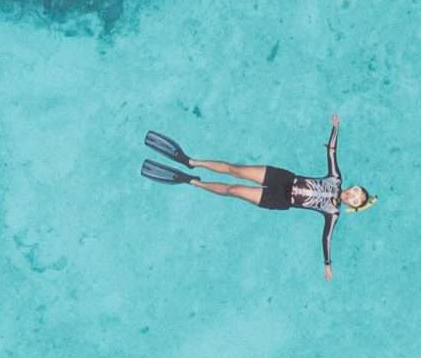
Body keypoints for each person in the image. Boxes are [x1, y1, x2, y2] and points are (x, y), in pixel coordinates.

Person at [140, 114, 373, 278]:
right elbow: (332, 152)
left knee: (234, 191)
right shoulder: (336, 178)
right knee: (235, 169)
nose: (353, 195)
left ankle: (191, 181)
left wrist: (327, 265)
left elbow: (327, 239)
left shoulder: (333, 214)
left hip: (281, 201)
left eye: (356, 199)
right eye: (357, 191)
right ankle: (191, 162)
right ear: (354, 187)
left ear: (352, 205)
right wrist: (335, 129)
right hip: (283, 178)